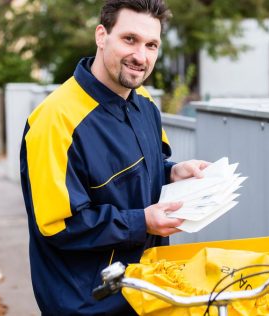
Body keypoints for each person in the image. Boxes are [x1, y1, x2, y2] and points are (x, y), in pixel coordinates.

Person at [20, 0, 208, 314]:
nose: (141, 56)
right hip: (87, 303)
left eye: (151, 45)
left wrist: (173, 172)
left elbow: (146, 170)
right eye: (129, 39)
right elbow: (59, 225)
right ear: (101, 35)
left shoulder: (145, 102)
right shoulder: (55, 120)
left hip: (144, 289)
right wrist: (143, 221)